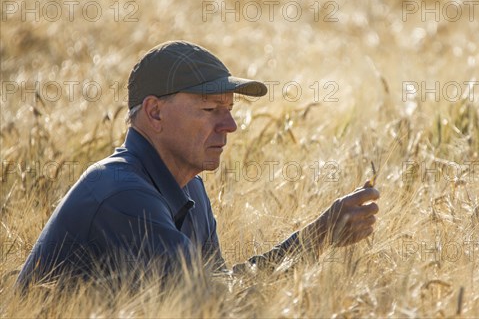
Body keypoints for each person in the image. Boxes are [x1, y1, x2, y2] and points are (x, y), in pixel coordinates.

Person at [17, 40, 380, 289]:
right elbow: (214, 304)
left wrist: (314, 241)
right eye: (209, 110)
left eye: (230, 111)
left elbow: (217, 287)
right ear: (155, 112)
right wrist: (313, 239)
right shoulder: (121, 194)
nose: (230, 126)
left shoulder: (189, 185)